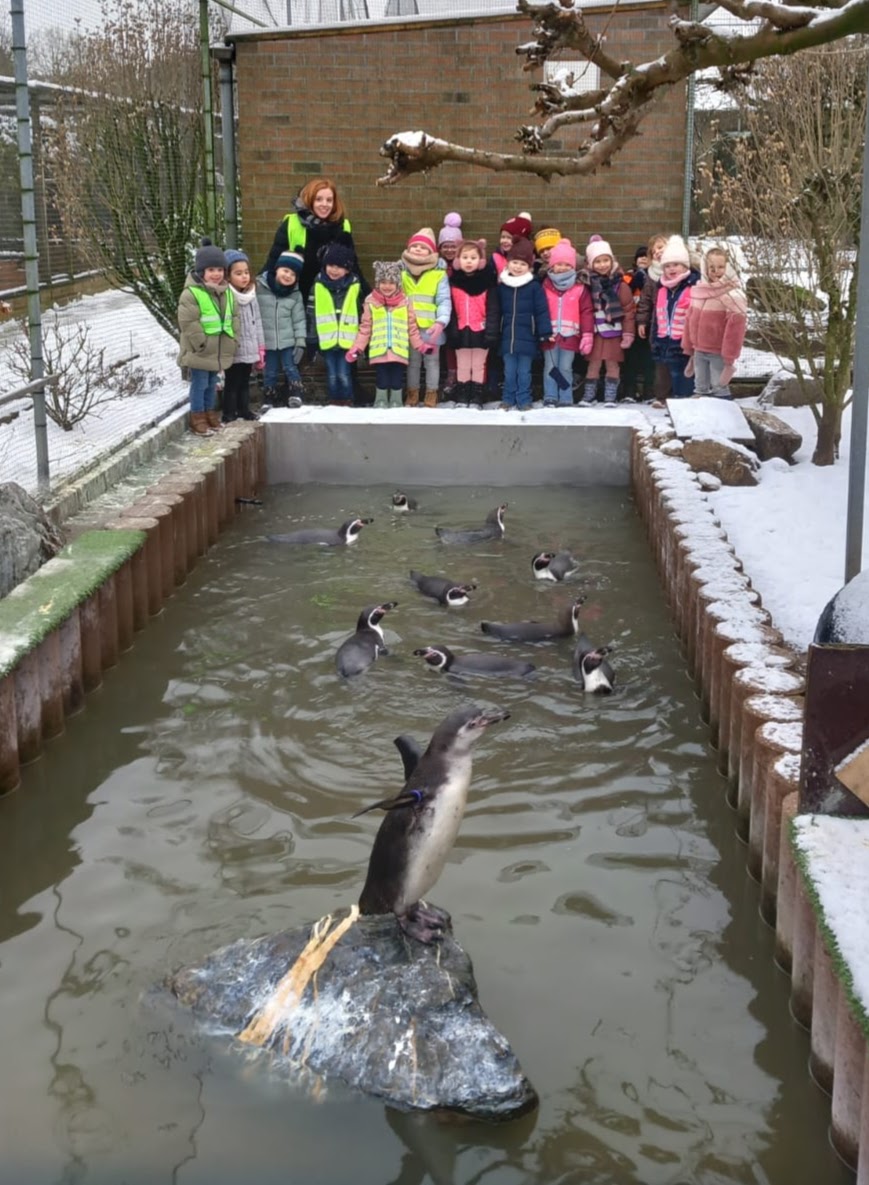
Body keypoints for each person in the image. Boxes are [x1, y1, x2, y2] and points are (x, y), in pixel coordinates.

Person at [177, 237, 238, 436]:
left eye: (219, 270)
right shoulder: (192, 293)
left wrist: (233, 339)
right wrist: (200, 343)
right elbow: (188, 322)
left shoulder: (227, 292)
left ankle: (210, 413)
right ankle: (197, 417)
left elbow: (234, 316)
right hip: (200, 350)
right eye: (211, 270)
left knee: (212, 384)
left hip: (218, 349)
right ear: (202, 271)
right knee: (200, 384)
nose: (216, 274)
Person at [346, 260, 427, 409]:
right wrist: (357, 348)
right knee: (382, 378)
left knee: (397, 378)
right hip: (379, 349)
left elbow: (412, 327)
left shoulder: (405, 303)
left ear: (397, 284)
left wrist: (420, 345)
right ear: (377, 283)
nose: (387, 286)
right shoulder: (371, 302)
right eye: (383, 282)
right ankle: (381, 399)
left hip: (399, 349)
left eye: (391, 282)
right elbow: (365, 328)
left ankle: (396, 400)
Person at [263, 177, 356, 301]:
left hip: (331, 300)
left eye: (329, 200)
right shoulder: (291, 224)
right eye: (318, 199)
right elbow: (273, 263)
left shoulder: (343, 227)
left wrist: (369, 297)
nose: (324, 204)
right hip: (296, 297)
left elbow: (353, 267)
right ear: (309, 200)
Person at [493, 237, 552, 411]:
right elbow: (496, 312)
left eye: (522, 264)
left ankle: (524, 399)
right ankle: (508, 399)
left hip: (528, 337)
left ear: (529, 267)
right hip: (507, 337)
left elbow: (541, 311)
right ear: (508, 263)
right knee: (509, 371)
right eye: (515, 262)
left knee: (524, 372)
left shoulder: (534, 287)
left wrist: (545, 331)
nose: (518, 267)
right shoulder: (502, 287)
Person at [682, 246, 748, 400]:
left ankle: (724, 408)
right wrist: (688, 346)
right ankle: (701, 412)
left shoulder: (732, 294)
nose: (716, 271)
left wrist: (729, 356)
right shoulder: (699, 290)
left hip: (718, 351)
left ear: (729, 268)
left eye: (721, 267)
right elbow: (689, 319)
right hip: (699, 348)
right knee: (700, 384)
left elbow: (735, 330)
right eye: (711, 267)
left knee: (719, 386)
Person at [579, 235, 635, 407]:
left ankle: (610, 396)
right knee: (593, 364)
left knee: (612, 364)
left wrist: (628, 332)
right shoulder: (586, 284)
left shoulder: (620, 285)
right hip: (595, 332)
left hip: (614, 332)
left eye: (606, 260)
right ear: (590, 264)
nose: (602, 265)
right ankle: (589, 395)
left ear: (612, 261)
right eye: (598, 261)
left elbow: (628, 310)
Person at [307, 240, 363, 407]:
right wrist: (312, 339)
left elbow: (360, 314)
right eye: (330, 265)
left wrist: (361, 341)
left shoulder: (354, 286)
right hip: (327, 340)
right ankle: (334, 400)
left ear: (347, 269)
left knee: (344, 373)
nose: (334, 270)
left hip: (348, 340)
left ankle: (347, 400)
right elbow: (311, 313)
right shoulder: (317, 285)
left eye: (339, 267)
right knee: (331, 374)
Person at [400, 227, 451, 408]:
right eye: (415, 246)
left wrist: (441, 321)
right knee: (412, 363)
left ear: (431, 252)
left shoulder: (438, 274)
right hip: (409, 327)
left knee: (432, 363)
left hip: (431, 328)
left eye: (424, 247)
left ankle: (431, 393)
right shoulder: (401, 272)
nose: (419, 250)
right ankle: (412, 393)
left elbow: (444, 299)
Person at [540, 238, 594, 408]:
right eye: (559, 264)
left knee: (565, 367)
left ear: (573, 266)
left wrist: (587, 334)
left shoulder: (579, 288)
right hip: (550, 335)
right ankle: (550, 395)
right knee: (550, 366)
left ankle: (565, 396)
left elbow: (586, 312)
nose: (562, 267)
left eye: (567, 264)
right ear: (551, 266)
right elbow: (540, 311)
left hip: (570, 335)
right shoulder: (545, 286)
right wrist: (542, 331)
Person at [447, 239, 500, 409]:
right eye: (464, 257)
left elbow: (493, 311)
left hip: (481, 331)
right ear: (457, 261)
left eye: (473, 257)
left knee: (478, 365)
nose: (469, 261)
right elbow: (451, 311)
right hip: (461, 331)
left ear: (481, 261)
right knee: (462, 364)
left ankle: (477, 395)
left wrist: (491, 334)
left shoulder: (487, 284)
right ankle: (463, 394)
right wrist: (453, 332)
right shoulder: (453, 283)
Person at [649, 234, 700, 405]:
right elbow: (658, 315)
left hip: (683, 340)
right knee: (663, 371)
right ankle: (663, 398)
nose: (671, 269)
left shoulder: (692, 286)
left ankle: (682, 399)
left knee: (682, 371)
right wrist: (655, 337)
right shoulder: (662, 288)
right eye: (667, 266)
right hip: (664, 338)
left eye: (676, 265)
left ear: (685, 265)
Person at [256, 250, 307, 408]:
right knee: (269, 371)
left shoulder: (295, 294)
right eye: (285, 270)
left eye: (293, 274)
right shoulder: (259, 288)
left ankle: (295, 393)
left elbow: (299, 320)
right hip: (267, 341)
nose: (288, 276)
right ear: (277, 268)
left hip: (288, 341)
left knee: (290, 368)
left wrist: (300, 342)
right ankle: (269, 397)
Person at [222, 249, 265, 422]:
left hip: (250, 346)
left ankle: (244, 410)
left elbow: (258, 321)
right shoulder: (226, 296)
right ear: (228, 275)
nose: (244, 277)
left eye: (246, 272)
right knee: (232, 382)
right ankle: (228, 413)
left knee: (246, 381)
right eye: (238, 273)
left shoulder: (251, 294)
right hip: (234, 348)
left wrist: (260, 346)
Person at [636, 233, 672, 404]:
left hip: (677, 322)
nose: (657, 252)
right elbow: (645, 301)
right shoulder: (651, 276)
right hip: (658, 323)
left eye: (660, 247)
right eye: (653, 251)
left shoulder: (680, 271)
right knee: (660, 360)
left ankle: (680, 393)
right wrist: (642, 321)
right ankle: (661, 396)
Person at [620, 245, 655, 402]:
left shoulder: (655, 276)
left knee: (648, 359)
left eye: (646, 256)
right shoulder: (628, 276)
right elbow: (623, 290)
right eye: (640, 256)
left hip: (648, 324)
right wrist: (635, 282)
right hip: (631, 324)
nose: (643, 258)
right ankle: (629, 391)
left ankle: (649, 391)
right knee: (630, 360)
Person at [437, 213, 464, 396]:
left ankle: (462, 376)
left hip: (461, 311)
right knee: (447, 345)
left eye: (453, 246)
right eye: (445, 246)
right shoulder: (437, 266)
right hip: (443, 311)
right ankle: (450, 374)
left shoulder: (463, 264)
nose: (449, 250)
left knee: (460, 344)